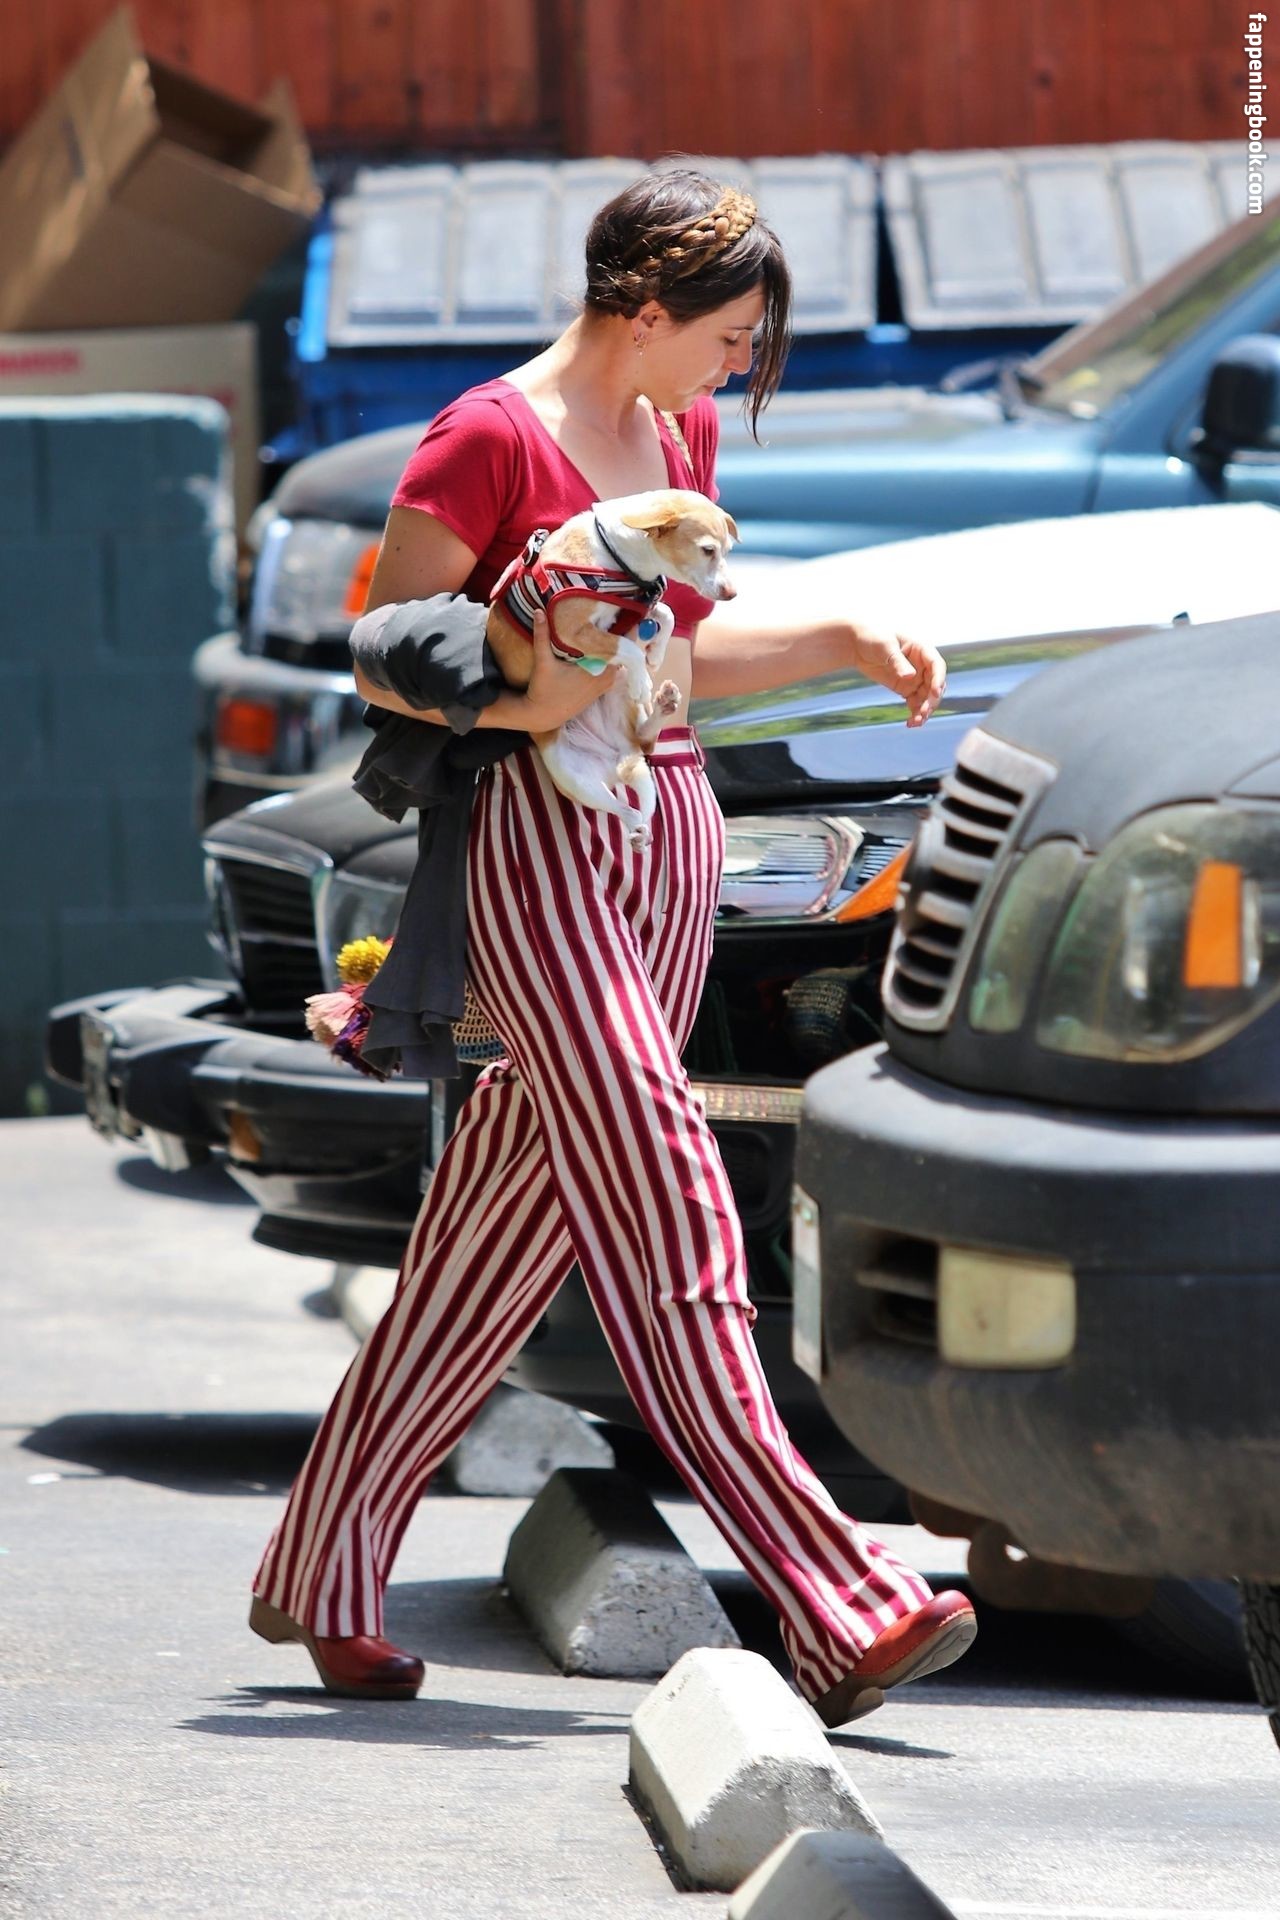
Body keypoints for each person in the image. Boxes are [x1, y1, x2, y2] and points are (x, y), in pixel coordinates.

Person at [248, 167, 974, 1728]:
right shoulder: (485, 438)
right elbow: (389, 658)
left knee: (492, 1246)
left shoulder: (675, 433)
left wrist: (837, 638)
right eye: (729, 336)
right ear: (644, 311)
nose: (739, 367)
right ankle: (836, 1596)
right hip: (537, 853)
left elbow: (681, 657)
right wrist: (532, 695)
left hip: (669, 838)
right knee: (670, 1194)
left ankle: (320, 1564)